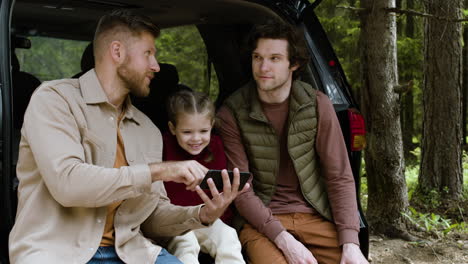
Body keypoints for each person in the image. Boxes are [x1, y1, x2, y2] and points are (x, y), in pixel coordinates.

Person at [9, 9, 247, 264]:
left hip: (132, 253)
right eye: (148, 54)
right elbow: (68, 184)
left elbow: (151, 218)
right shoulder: (54, 100)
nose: (156, 65)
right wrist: (159, 171)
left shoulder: (147, 130)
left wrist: (201, 215)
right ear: (117, 52)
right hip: (57, 253)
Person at [216, 20, 369, 264]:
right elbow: (242, 191)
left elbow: (339, 176)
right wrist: (284, 240)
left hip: (316, 216)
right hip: (262, 222)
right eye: (257, 57)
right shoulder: (232, 112)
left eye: (274, 58)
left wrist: (351, 242)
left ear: (294, 64)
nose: (263, 67)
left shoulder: (317, 104)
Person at [162, 89, 245, 264]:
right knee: (186, 243)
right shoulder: (162, 145)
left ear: (212, 125)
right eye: (187, 132)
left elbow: (222, 192)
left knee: (228, 237)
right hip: (175, 221)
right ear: (172, 128)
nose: (196, 139)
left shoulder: (216, 146)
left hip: (207, 218)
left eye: (203, 131)